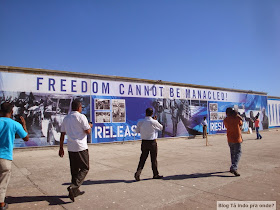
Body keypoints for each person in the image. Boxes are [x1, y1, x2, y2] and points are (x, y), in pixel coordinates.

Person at [59, 99, 93, 202]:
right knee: (85, 168)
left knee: (74, 170)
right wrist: (90, 126)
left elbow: (62, 134)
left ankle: (75, 191)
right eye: (81, 107)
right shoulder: (81, 117)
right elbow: (87, 131)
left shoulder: (66, 118)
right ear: (79, 107)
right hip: (81, 147)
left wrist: (61, 148)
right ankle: (74, 186)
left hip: (71, 148)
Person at [0, 102, 29, 210]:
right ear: (12, 112)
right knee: (2, 182)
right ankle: (1, 204)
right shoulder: (14, 124)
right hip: (5, 158)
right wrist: (24, 125)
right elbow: (26, 138)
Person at [134, 108, 163, 181]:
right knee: (153, 159)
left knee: (142, 158)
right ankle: (155, 174)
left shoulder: (141, 122)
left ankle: (138, 173)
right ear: (152, 113)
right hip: (152, 142)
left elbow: (137, 130)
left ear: (145, 113)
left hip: (144, 142)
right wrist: (155, 120)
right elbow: (161, 128)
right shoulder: (154, 122)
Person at [223, 108, 243, 177]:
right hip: (237, 139)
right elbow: (241, 123)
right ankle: (234, 167)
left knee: (232, 153)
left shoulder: (226, 120)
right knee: (238, 153)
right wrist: (238, 116)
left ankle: (232, 166)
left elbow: (226, 126)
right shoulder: (237, 119)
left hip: (229, 139)